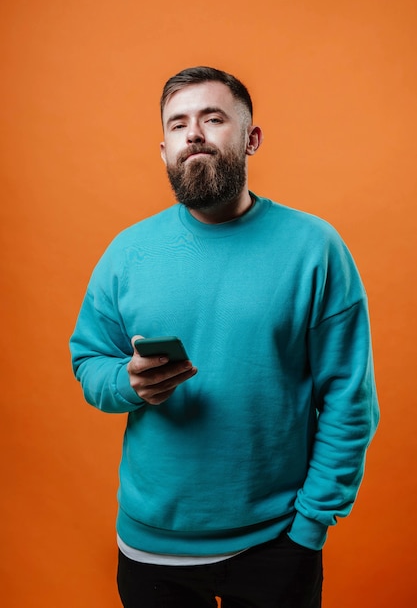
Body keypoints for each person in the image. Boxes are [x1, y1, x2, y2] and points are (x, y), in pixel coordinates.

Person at [70, 66, 379, 608]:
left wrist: (309, 527)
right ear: (163, 148)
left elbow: (350, 401)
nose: (194, 133)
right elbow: (89, 363)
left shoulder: (315, 248)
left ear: (250, 138)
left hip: (275, 544)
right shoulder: (128, 252)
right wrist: (127, 382)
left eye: (213, 118)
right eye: (179, 123)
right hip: (149, 549)